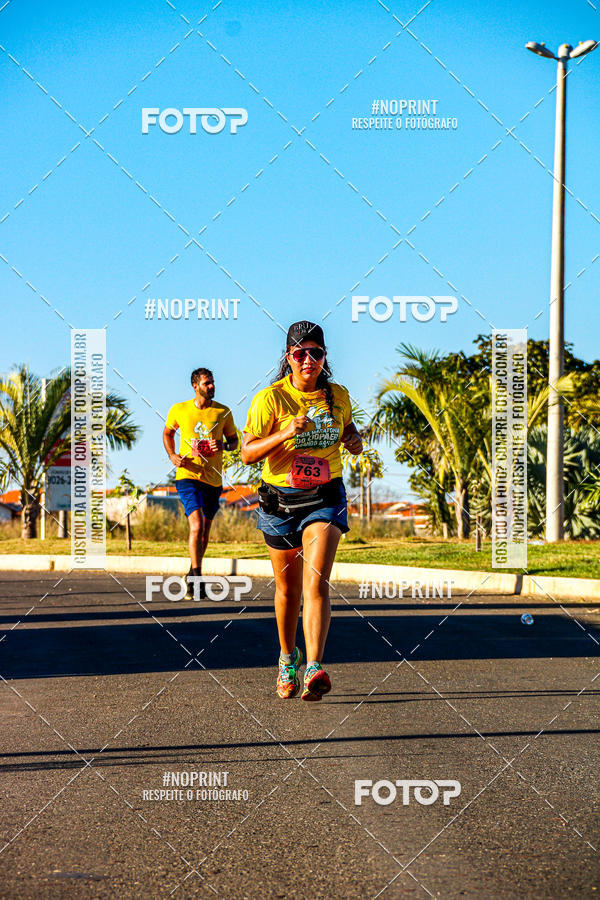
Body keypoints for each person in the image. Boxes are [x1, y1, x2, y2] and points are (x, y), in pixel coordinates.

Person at [241, 322, 362, 700]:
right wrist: (285, 433)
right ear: (288, 359)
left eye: (316, 353)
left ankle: (314, 666)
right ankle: (286, 658)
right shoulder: (270, 399)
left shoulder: (338, 395)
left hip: (325, 496)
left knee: (316, 583)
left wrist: (354, 439)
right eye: (300, 353)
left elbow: (347, 429)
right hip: (280, 502)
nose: (308, 360)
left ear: (325, 358)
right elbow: (247, 453)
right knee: (287, 590)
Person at [163, 368, 238, 598]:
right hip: (188, 476)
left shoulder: (223, 412)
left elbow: (234, 442)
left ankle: (193, 571)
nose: (212, 386)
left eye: (213, 382)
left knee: (204, 532)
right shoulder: (180, 409)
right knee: (195, 525)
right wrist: (173, 456)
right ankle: (197, 578)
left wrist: (223, 446)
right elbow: (167, 433)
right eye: (207, 383)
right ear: (195, 386)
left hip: (213, 479)